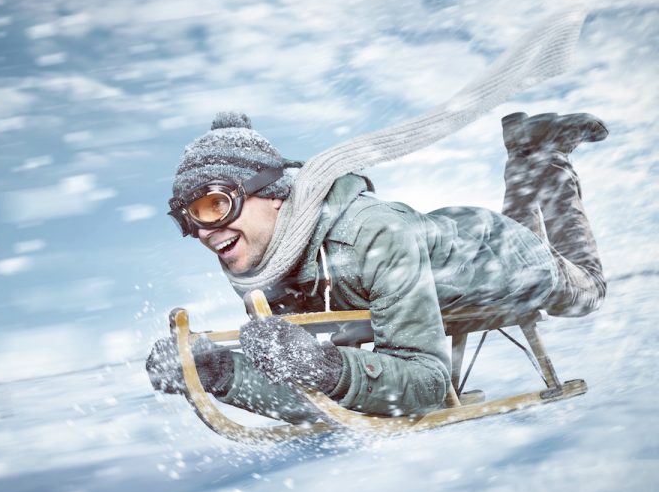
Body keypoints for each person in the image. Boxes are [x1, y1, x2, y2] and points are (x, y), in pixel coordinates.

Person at [146, 111, 607, 423]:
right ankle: (528, 152)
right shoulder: (255, 267)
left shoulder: (372, 235)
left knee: (587, 292)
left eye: (214, 204)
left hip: (503, 260)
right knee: (522, 220)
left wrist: (326, 366)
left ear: (272, 192)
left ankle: (552, 159)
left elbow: (426, 382)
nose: (204, 231)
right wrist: (218, 375)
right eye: (188, 216)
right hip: (439, 247)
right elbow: (317, 396)